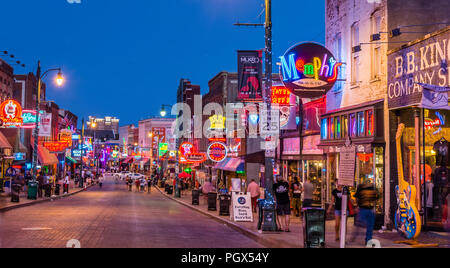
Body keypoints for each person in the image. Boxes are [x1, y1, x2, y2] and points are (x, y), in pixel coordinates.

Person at [351, 181, 379, 245]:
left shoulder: (370, 187)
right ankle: (355, 237)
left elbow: (376, 197)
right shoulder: (364, 187)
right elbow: (376, 198)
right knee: (361, 225)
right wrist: (357, 206)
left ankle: (367, 240)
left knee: (368, 226)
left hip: (368, 209)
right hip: (364, 209)